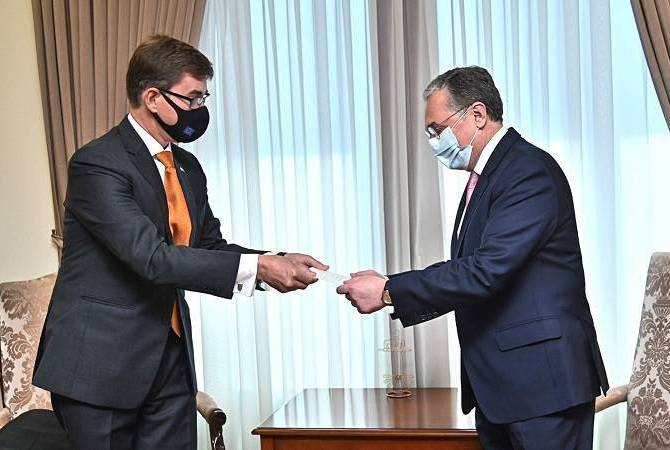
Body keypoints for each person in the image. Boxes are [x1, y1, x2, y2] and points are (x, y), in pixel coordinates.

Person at [33, 35, 327, 450]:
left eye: (204, 98)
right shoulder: (97, 164)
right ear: (153, 98)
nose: (200, 109)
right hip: (99, 367)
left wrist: (272, 260)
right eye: (192, 98)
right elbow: (151, 258)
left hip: (170, 360)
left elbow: (207, 246)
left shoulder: (187, 166)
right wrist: (258, 266)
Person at [337, 66, 608, 450]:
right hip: (502, 389)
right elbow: (471, 270)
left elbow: (485, 271)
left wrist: (388, 290)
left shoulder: (527, 171)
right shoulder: (489, 176)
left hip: (542, 387)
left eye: (438, 130)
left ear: (477, 114)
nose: (435, 142)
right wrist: (389, 286)